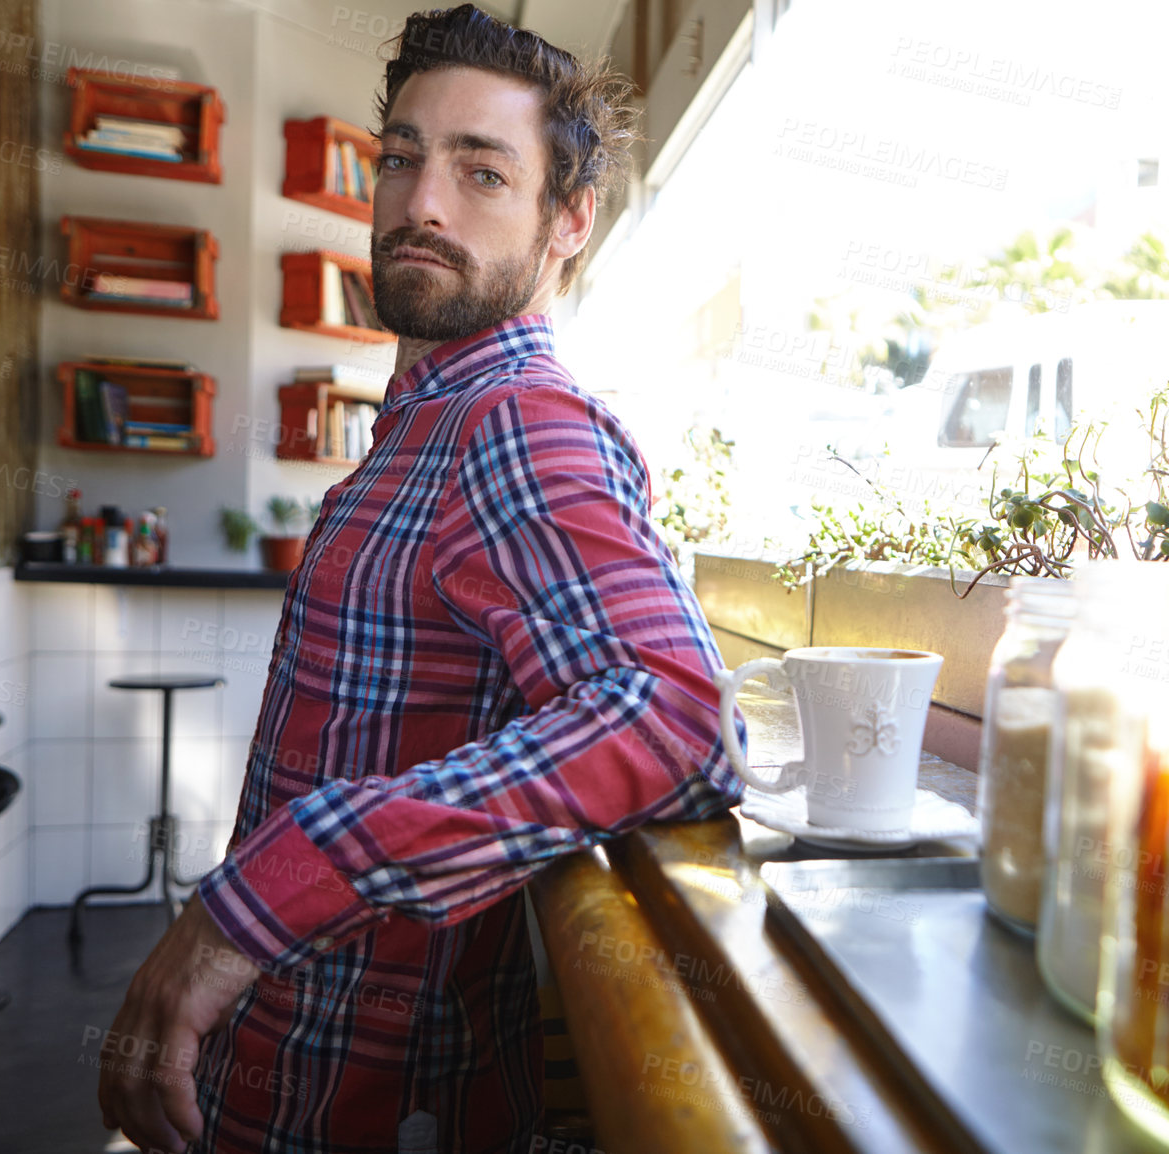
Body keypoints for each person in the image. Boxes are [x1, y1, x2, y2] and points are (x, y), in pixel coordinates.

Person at [96, 8, 744, 1151]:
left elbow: (677, 715)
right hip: (288, 1052)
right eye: (401, 157)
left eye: (482, 171)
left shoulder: (518, 419)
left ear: (569, 222)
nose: (420, 201)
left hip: (354, 1100)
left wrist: (240, 912)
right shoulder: (422, 424)